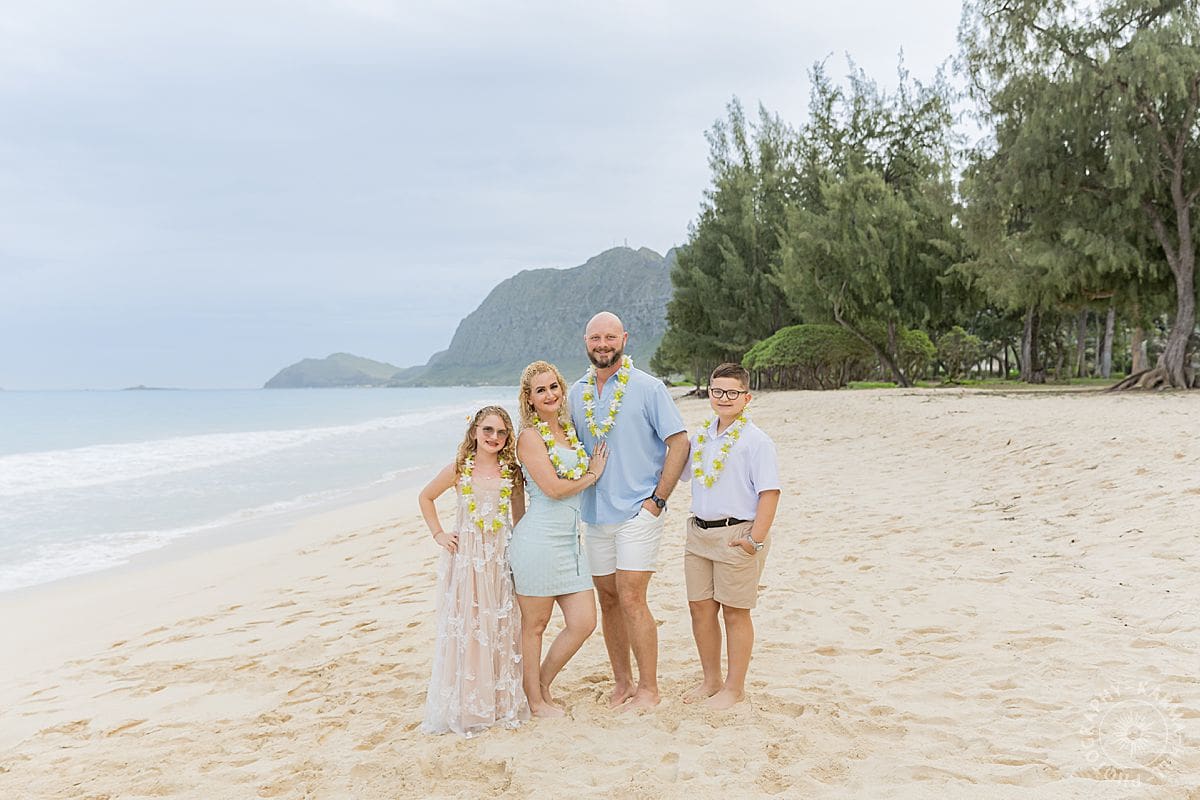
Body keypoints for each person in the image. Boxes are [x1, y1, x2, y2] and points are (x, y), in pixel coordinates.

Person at [568, 311, 689, 710]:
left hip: (640, 510)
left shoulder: (648, 387)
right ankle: (623, 683)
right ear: (586, 341)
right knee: (608, 599)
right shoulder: (575, 392)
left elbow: (679, 442)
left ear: (624, 338)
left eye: (610, 337)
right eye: (595, 338)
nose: (603, 345)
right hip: (594, 512)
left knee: (632, 595)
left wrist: (658, 500)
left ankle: (650, 689)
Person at [418, 406, 530, 736]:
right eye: (488, 430)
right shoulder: (459, 469)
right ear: (475, 432)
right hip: (467, 559)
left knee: (498, 626)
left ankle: (497, 701)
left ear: (508, 436)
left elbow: (519, 518)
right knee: (469, 626)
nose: (494, 437)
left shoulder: (512, 471)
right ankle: (468, 703)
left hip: (499, 558)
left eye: (501, 432)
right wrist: (439, 534)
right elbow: (425, 497)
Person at [510, 361, 610, 717]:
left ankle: (542, 683)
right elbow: (552, 489)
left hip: (570, 542)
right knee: (534, 626)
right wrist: (593, 475)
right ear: (529, 399)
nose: (549, 394)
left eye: (553, 386)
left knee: (583, 622)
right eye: (541, 390)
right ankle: (534, 701)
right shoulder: (530, 438)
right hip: (537, 542)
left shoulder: (568, 431)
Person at [680, 363, 780, 710]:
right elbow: (676, 471)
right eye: (717, 391)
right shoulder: (701, 436)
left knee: (735, 612)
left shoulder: (757, 442)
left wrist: (755, 538)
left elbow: (769, 493)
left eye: (732, 392)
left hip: (738, 533)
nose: (724, 398)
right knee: (700, 609)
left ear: (746, 397)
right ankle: (711, 679)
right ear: (709, 393)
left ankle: (734, 687)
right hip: (699, 532)